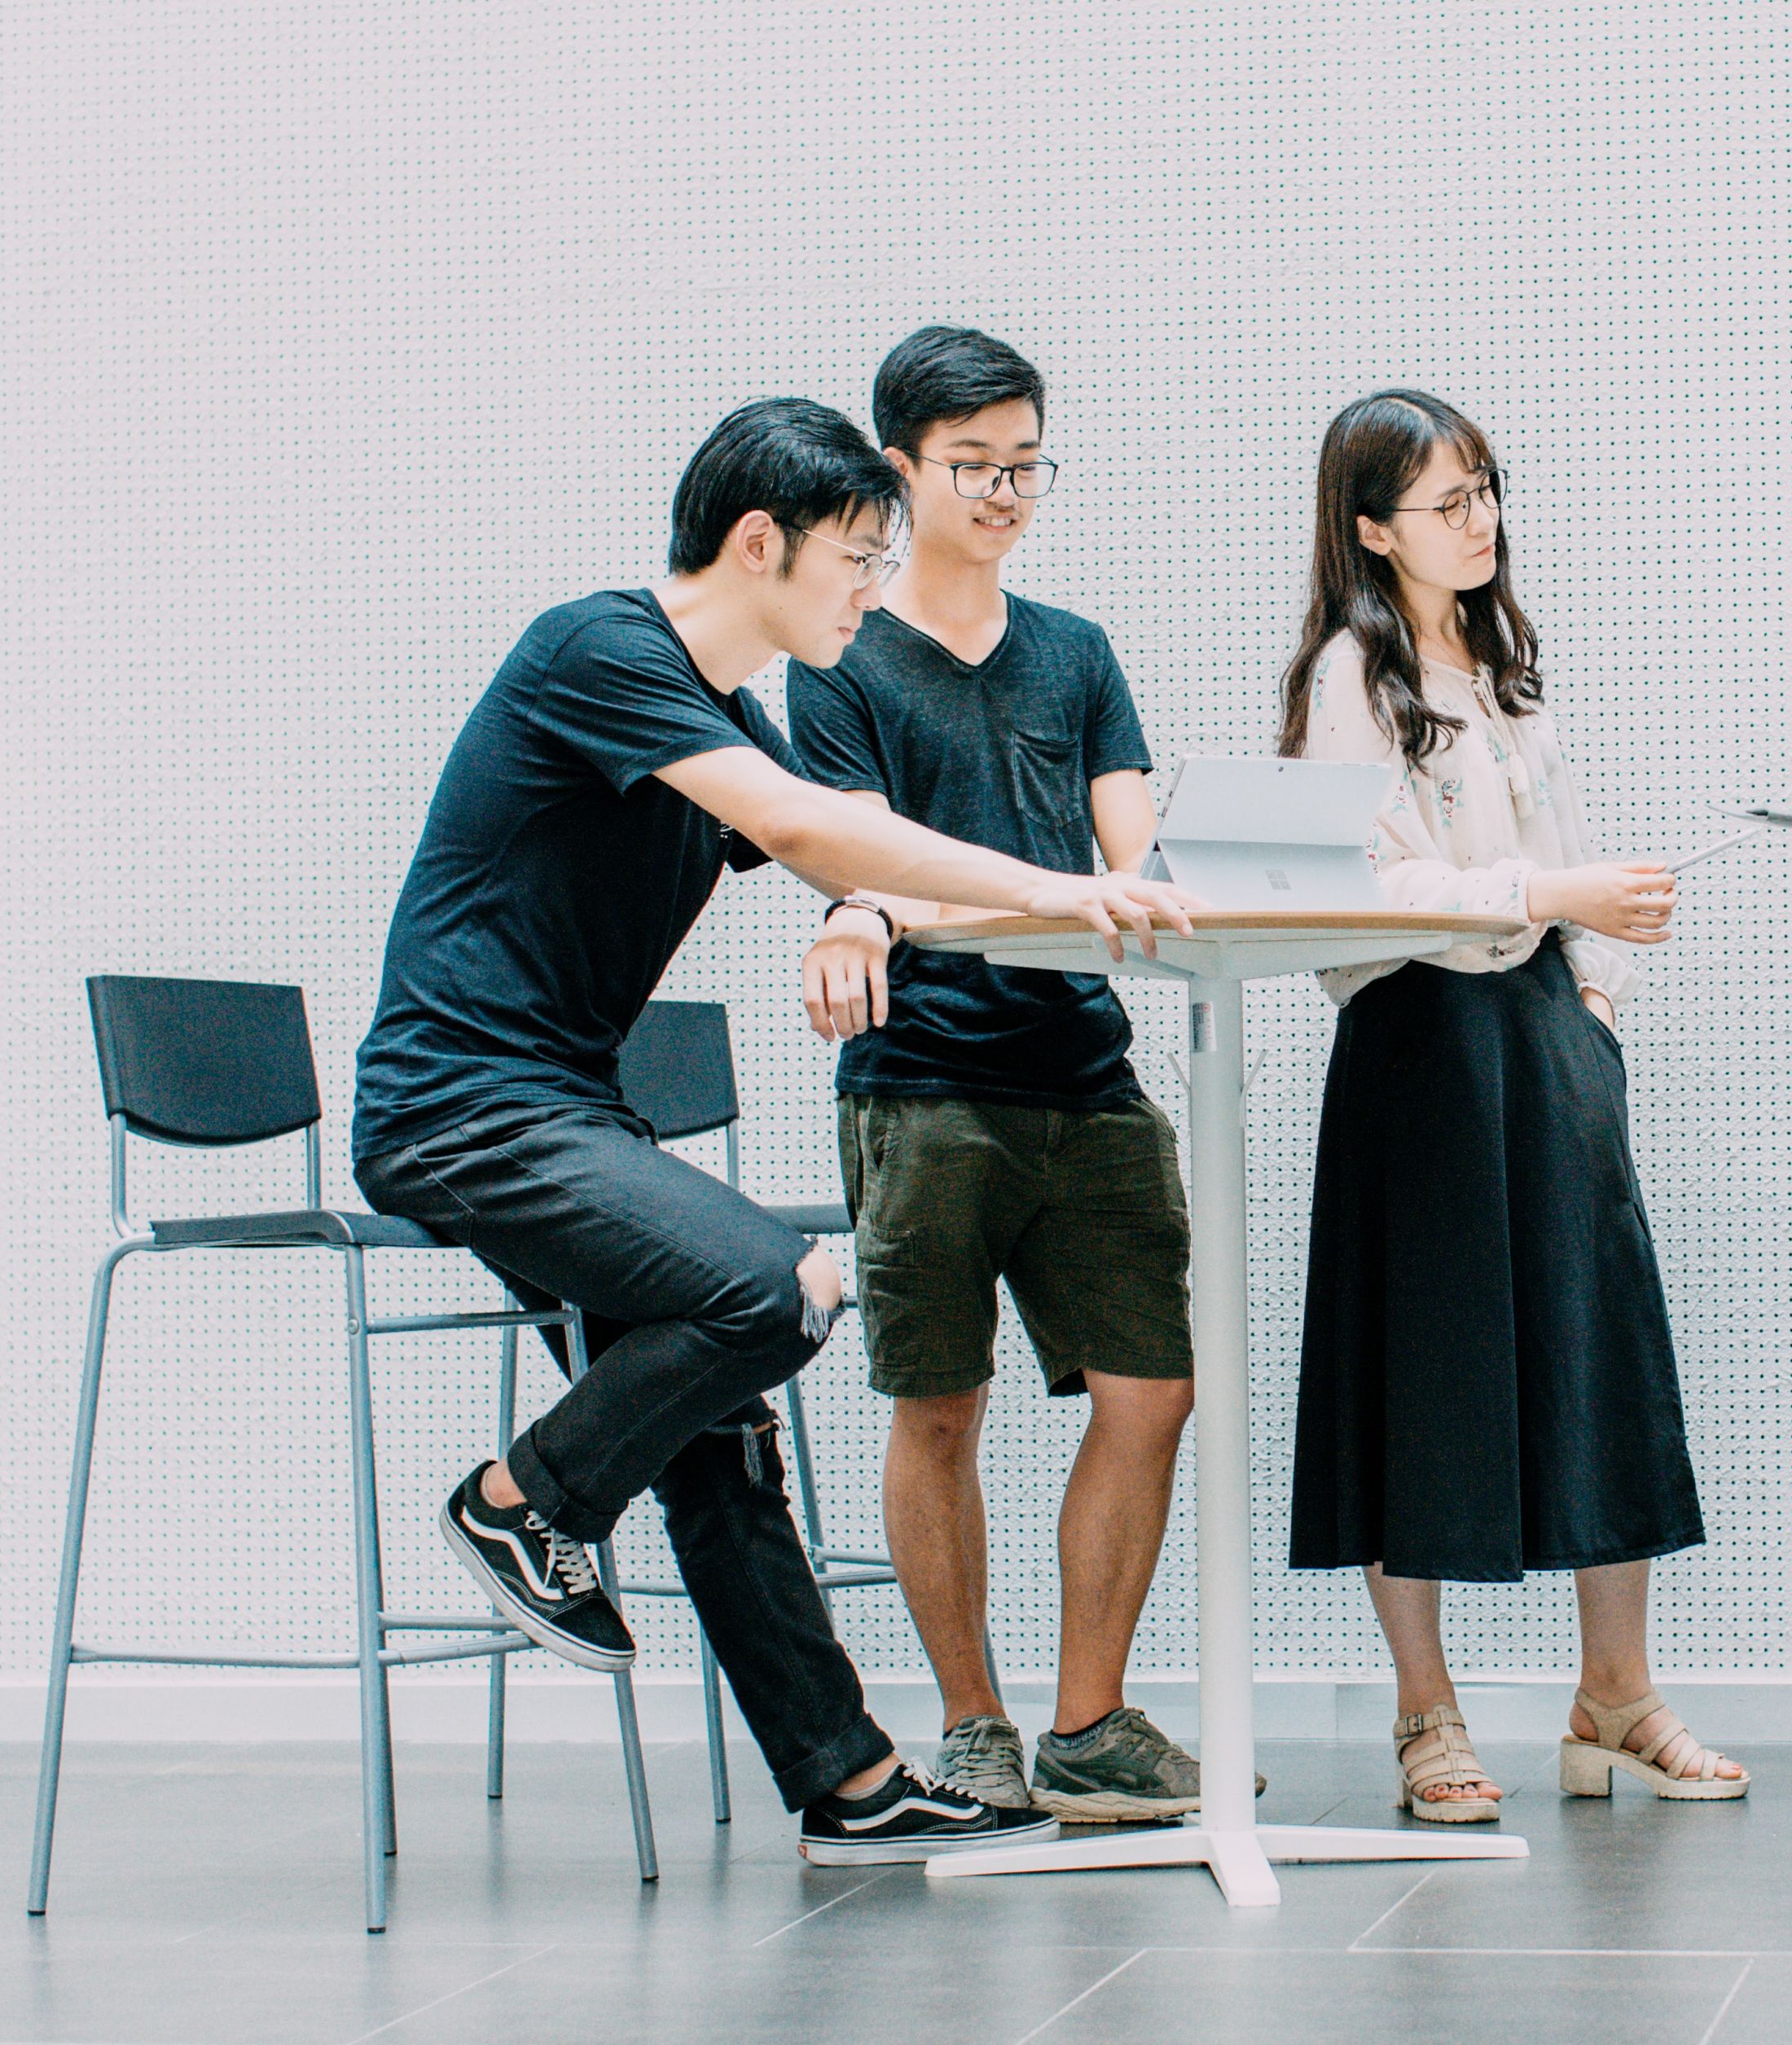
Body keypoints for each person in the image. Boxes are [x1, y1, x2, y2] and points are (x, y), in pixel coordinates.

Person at [352, 397, 1201, 1866]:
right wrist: (1057, 889)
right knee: (776, 1286)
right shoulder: (600, 652)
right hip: (460, 1105)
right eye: (859, 564)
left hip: (564, 1108)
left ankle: (850, 1780)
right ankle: (519, 1503)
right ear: (763, 544)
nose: (874, 597)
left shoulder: (722, 712)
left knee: (719, 1434)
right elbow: (813, 832)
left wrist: (914, 896)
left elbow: (849, 842)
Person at [1278, 389, 1743, 1819]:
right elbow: (1362, 889)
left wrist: (1590, 998)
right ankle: (1429, 1716)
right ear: (1372, 529)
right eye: (1446, 502)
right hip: (1420, 1046)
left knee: (1598, 1355)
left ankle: (1619, 1697)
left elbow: (1571, 850)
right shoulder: (1347, 676)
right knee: (1417, 1374)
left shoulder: (1499, 654)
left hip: (1543, 1033)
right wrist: (1550, 902)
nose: (1479, 522)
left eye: (1487, 491)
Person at [788, 327, 1210, 1822]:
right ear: (899, 470)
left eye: (1029, 463)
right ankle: (973, 1724)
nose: (1009, 492)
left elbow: (1126, 855)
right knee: (939, 1405)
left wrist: (1168, 870)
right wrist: (876, 908)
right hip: (922, 1089)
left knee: (1153, 1390)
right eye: (976, 467)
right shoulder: (841, 662)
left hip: (1088, 1078)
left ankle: (1088, 1720)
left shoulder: (1077, 652)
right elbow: (859, 858)